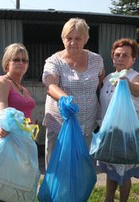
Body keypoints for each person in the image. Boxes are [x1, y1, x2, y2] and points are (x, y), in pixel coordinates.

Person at [42, 18, 105, 166]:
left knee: (81, 166)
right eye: (68, 38)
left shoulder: (96, 60)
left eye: (78, 38)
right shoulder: (54, 61)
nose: (72, 42)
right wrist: (64, 99)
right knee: (58, 166)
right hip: (60, 124)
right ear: (63, 39)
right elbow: (50, 85)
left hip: (87, 124)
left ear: (86, 39)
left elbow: (101, 79)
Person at [0, 43, 36, 202]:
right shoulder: (1, 82)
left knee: (14, 190)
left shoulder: (22, 88)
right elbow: (2, 106)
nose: (21, 63)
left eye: (24, 60)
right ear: (7, 63)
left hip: (19, 145)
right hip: (1, 143)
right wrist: (4, 123)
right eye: (16, 60)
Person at [98, 38, 139, 202]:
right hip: (109, 132)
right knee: (111, 170)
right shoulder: (108, 78)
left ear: (133, 59)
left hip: (127, 134)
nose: (120, 58)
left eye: (125, 55)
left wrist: (126, 83)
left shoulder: (136, 76)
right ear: (112, 58)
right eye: (117, 55)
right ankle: (109, 199)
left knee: (124, 173)